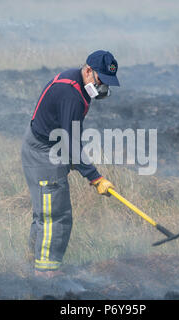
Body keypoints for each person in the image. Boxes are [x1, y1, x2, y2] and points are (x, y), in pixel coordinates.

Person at [21, 50, 120, 278]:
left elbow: (71, 131)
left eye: (107, 83)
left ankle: (29, 267)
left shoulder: (75, 80)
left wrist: (78, 163)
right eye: (100, 80)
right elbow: (70, 140)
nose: (103, 88)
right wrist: (95, 177)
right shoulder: (72, 94)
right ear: (88, 71)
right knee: (55, 217)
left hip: (46, 147)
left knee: (44, 213)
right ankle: (45, 276)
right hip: (44, 154)